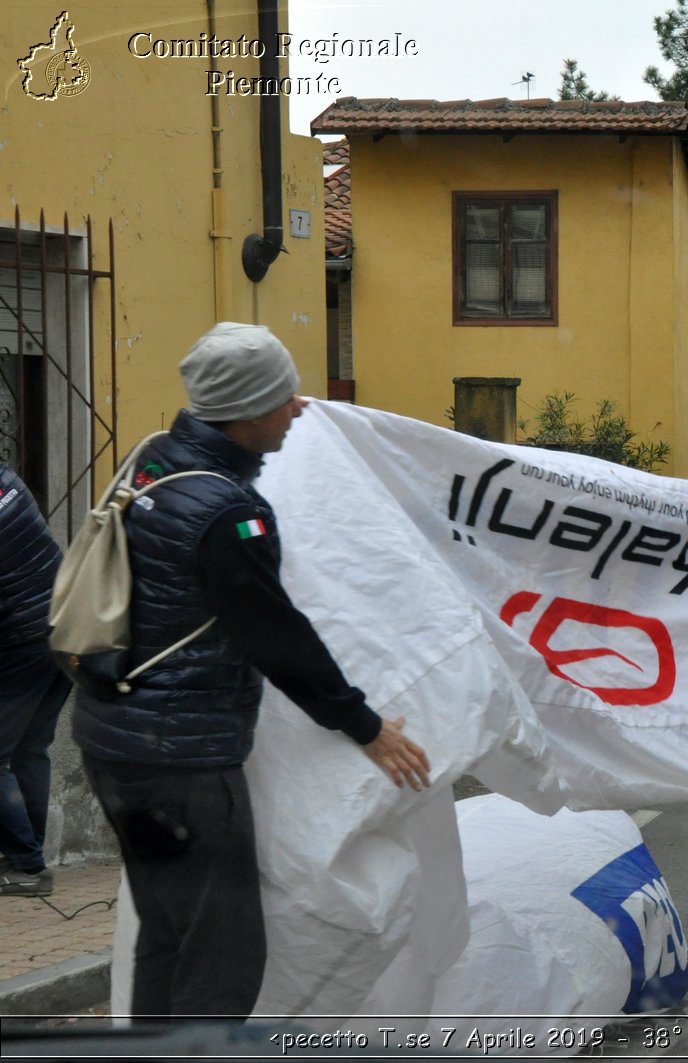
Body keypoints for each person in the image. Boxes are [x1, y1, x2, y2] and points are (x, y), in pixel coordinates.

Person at [71, 322, 431, 1021]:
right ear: (244, 411)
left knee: (171, 934)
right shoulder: (226, 512)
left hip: (116, 749)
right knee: (223, 957)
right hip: (183, 767)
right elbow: (276, 634)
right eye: (283, 395)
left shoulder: (154, 464)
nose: (299, 407)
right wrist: (365, 725)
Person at [0, 461, 72, 897]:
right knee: (30, 750)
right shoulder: (9, 481)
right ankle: (26, 860)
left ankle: (26, 867)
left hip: (22, 642)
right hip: (64, 628)